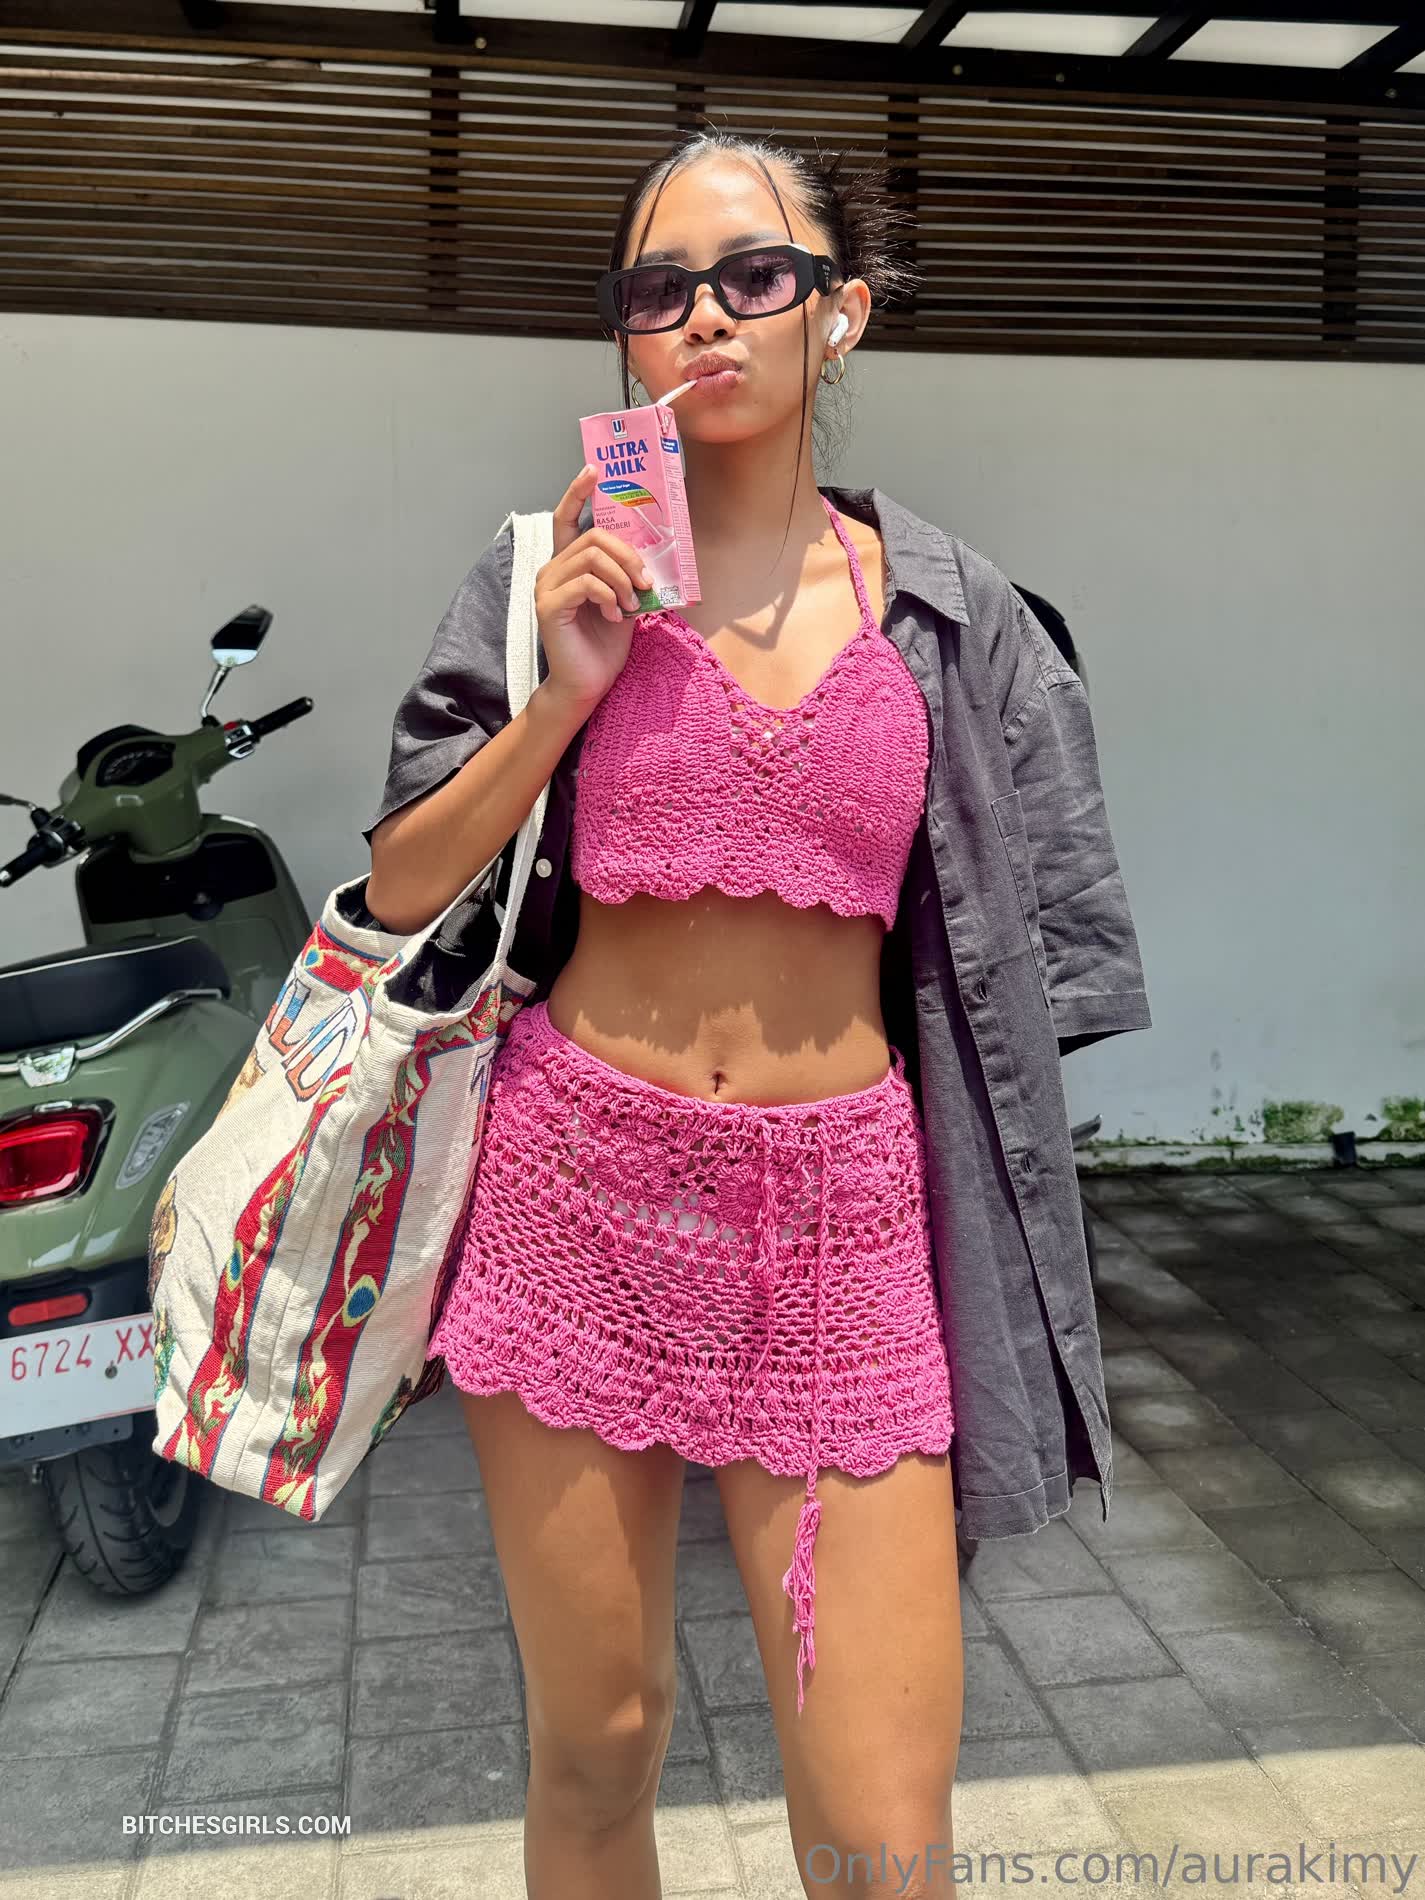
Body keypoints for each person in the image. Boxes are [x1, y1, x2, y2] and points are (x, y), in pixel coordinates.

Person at [365, 127, 1150, 1900]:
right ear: (625, 334)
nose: (704, 316)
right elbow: (403, 886)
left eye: (753, 275)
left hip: (840, 1223)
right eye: (659, 288)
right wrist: (562, 696)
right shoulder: (544, 577)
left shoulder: (951, 615)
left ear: (838, 313)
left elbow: (1037, 960)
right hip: (573, 1190)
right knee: (598, 1744)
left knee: (882, 1832)